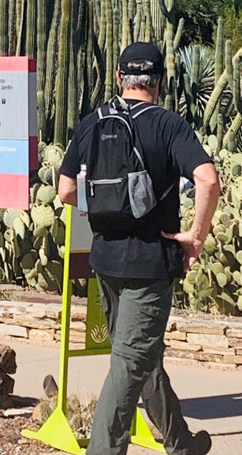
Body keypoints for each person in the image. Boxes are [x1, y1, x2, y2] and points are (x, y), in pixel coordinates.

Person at [57, 42, 221, 455]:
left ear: (119, 79)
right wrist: (196, 237)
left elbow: (66, 191)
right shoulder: (169, 125)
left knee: (138, 356)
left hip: (105, 261)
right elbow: (208, 180)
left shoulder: (93, 121)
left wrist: (109, 206)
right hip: (150, 265)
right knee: (129, 365)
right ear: (160, 82)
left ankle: (181, 444)